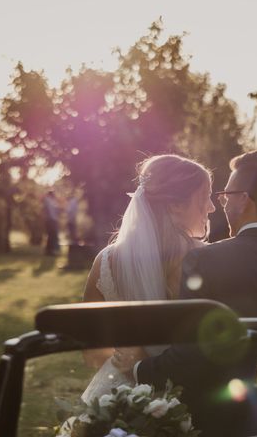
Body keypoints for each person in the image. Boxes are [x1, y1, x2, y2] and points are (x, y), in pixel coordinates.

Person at [113, 150, 257, 437]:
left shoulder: (206, 262)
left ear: (243, 199)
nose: (219, 204)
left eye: (225, 195)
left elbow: (190, 360)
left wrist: (138, 368)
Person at [80, 154, 216, 403]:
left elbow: (92, 350)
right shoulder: (209, 260)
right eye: (205, 196)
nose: (212, 207)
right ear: (175, 205)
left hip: (118, 398)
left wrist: (128, 361)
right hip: (189, 398)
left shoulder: (106, 261)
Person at [43, 190, 61, 256]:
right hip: (51, 220)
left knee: (51, 236)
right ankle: (50, 251)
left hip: (52, 220)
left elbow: (56, 210)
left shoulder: (52, 201)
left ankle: (49, 251)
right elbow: (49, 210)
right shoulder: (48, 200)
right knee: (51, 235)